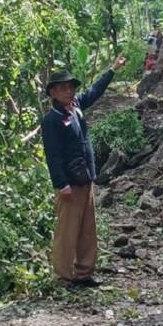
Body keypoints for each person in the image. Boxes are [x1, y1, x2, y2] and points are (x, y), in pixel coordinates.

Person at [42, 55, 127, 287]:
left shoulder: (76, 107)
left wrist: (112, 70)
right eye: (63, 88)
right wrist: (62, 183)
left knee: (87, 230)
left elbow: (94, 91)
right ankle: (63, 277)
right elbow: (53, 155)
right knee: (67, 232)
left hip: (85, 178)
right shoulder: (52, 120)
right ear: (53, 93)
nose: (68, 91)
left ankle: (84, 273)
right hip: (69, 183)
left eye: (70, 87)